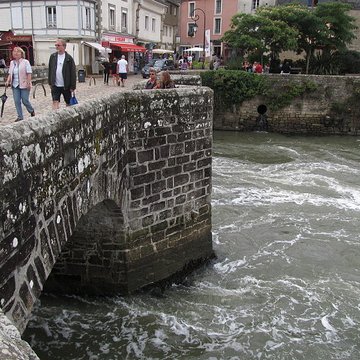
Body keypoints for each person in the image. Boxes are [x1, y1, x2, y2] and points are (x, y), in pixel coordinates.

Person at [5, 47, 35, 122]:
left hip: (24, 84)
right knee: (17, 101)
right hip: (15, 85)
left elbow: (29, 73)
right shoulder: (12, 63)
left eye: (18, 51)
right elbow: (10, 73)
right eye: (14, 51)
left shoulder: (25, 62)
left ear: (21, 54)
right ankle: (20, 116)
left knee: (25, 100)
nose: (16, 53)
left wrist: (28, 82)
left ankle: (31, 110)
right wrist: (8, 81)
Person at [48, 38, 76, 110]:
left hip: (66, 85)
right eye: (56, 45)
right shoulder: (53, 57)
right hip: (55, 84)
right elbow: (50, 69)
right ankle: (55, 117)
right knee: (55, 101)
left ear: (63, 46)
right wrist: (50, 82)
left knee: (68, 102)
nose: (56, 46)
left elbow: (73, 72)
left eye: (58, 45)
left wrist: (73, 86)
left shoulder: (69, 58)